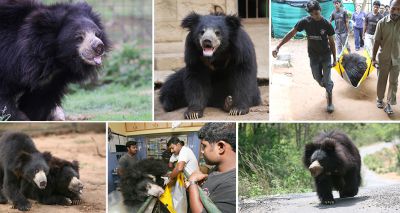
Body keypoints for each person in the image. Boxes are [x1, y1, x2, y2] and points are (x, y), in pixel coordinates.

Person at [272, 0, 337, 113]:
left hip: (326, 55)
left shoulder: (327, 24)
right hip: (313, 56)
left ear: (320, 10)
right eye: (311, 14)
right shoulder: (305, 22)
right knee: (317, 78)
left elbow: (332, 43)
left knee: (327, 80)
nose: (314, 16)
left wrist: (335, 59)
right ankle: (327, 84)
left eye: (316, 13)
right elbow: (291, 33)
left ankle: (330, 99)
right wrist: (278, 46)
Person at [187, 123, 236, 213]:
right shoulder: (216, 170)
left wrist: (192, 183)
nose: (202, 151)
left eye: (204, 146)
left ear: (220, 147)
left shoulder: (233, 184)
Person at [372, 0, 400, 115]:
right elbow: (376, 42)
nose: (396, 11)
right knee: (381, 80)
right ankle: (380, 98)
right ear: (389, 7)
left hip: (397, 59)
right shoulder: (381, 23)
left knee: (394, 82)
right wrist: (373, 58)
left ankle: (388, 104)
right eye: (394, 8)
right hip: (383, 58)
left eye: (399, 9)